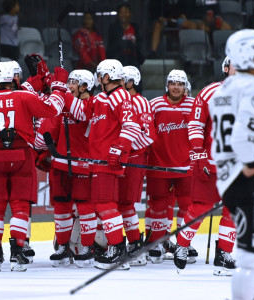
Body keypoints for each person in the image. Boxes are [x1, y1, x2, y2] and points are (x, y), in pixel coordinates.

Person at [0, 63, 68, 271]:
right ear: (13, 80)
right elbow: (52, 109)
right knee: (20, 206)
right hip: (22, 156)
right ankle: (17, 250)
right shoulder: (24, 97)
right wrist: (59, 87)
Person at [209, 29, 254, 300]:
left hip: (230, 177)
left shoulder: (225, 88)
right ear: (251, 56)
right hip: (252, 179)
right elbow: (242, 136)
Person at [66, 59, 140, 270]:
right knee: (103, 204)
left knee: (105, 205)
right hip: (99, 162)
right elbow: (80, 112)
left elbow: (131, 126)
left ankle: (117, 250)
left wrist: (118, 149)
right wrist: (61, 90)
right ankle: (117, 250)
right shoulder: (101, 98)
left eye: (100, 75)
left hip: (107, 161)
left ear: (106, 77)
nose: (98, 79)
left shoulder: (120, 96)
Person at [174, 57, 237, 276]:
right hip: (211, 163)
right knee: (200, 208)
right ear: (226, 68)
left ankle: (224, 253)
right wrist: (198, 154)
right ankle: (182, 245)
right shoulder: (211, 92)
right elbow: (196, 124)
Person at [34, 69, 96, 268]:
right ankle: (63, 246)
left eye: (73, 82)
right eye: (68, 82)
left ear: (85, 86)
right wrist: (42, 150)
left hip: (84, 164)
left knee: (85, 207)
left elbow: (81, 114)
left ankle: (87, 247)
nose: (69, 85)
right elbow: (48, 126)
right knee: (61, 207)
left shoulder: (94, 104)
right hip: (60, 164)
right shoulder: (65, 101)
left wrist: (61, 91)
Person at [145, 69, 195, 264]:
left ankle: (184, 244)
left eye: (180, 84)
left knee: (187, 206)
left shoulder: (194, 105)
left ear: (185, 87)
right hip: (159, 166)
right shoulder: (155, 104)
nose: (176, 87)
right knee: (158, 206)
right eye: (173, 83)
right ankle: (157, 242)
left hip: (186, 166)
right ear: (167, 85)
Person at [120, 65, 155, 266]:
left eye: (121, 80)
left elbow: (148, 135)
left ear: (131, 82)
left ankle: (134, 243)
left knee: (125, 204)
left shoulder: (141, 103)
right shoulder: (118, 100)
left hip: (133, 160)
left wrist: (130, 152)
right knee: (114, 203)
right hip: (117, 159)